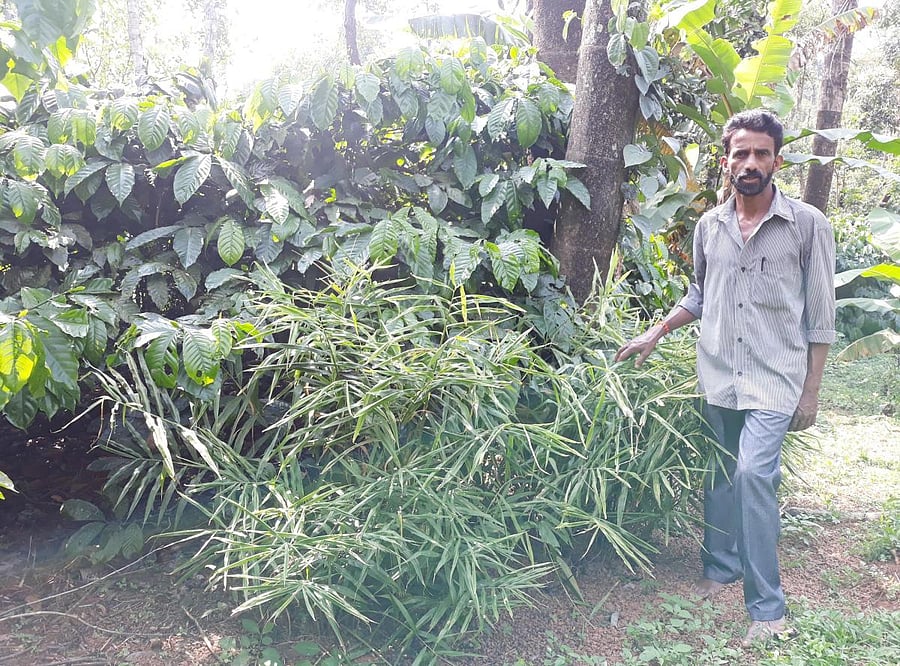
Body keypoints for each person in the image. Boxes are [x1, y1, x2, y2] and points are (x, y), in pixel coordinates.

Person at [614, 109, 836, 647]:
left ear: (778, 161)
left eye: (762, 153)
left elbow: (822, 315)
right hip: (718, 373)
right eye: (741, 153)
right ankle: (721, 568)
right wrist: (656, 332)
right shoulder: (709, 227)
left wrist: (811, 392)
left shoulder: (807, 225)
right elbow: (699, 293)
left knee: (754, 477)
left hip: (776, 378)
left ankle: (767, 608)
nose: (751, 162)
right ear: (726, 162)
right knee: (718, 473)